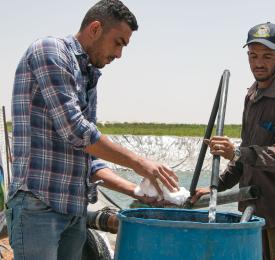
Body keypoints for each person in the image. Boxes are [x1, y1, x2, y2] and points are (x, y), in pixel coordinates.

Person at [6, 1, 178, 259]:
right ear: (95, 28)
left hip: (73, 211)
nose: (119, 54)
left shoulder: (88, 74)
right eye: (118, 42)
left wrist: (137, 191)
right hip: (38, 207)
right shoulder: (50, 51)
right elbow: (75, 130)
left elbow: (89, 158)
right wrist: (140, 163)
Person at [192, 22, 275, 260]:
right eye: (253, 55)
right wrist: (216, 186)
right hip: (254, 212)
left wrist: (237, 152)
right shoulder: (252, 95)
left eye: (267, 56)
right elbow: (245, 155)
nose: (258, 63)